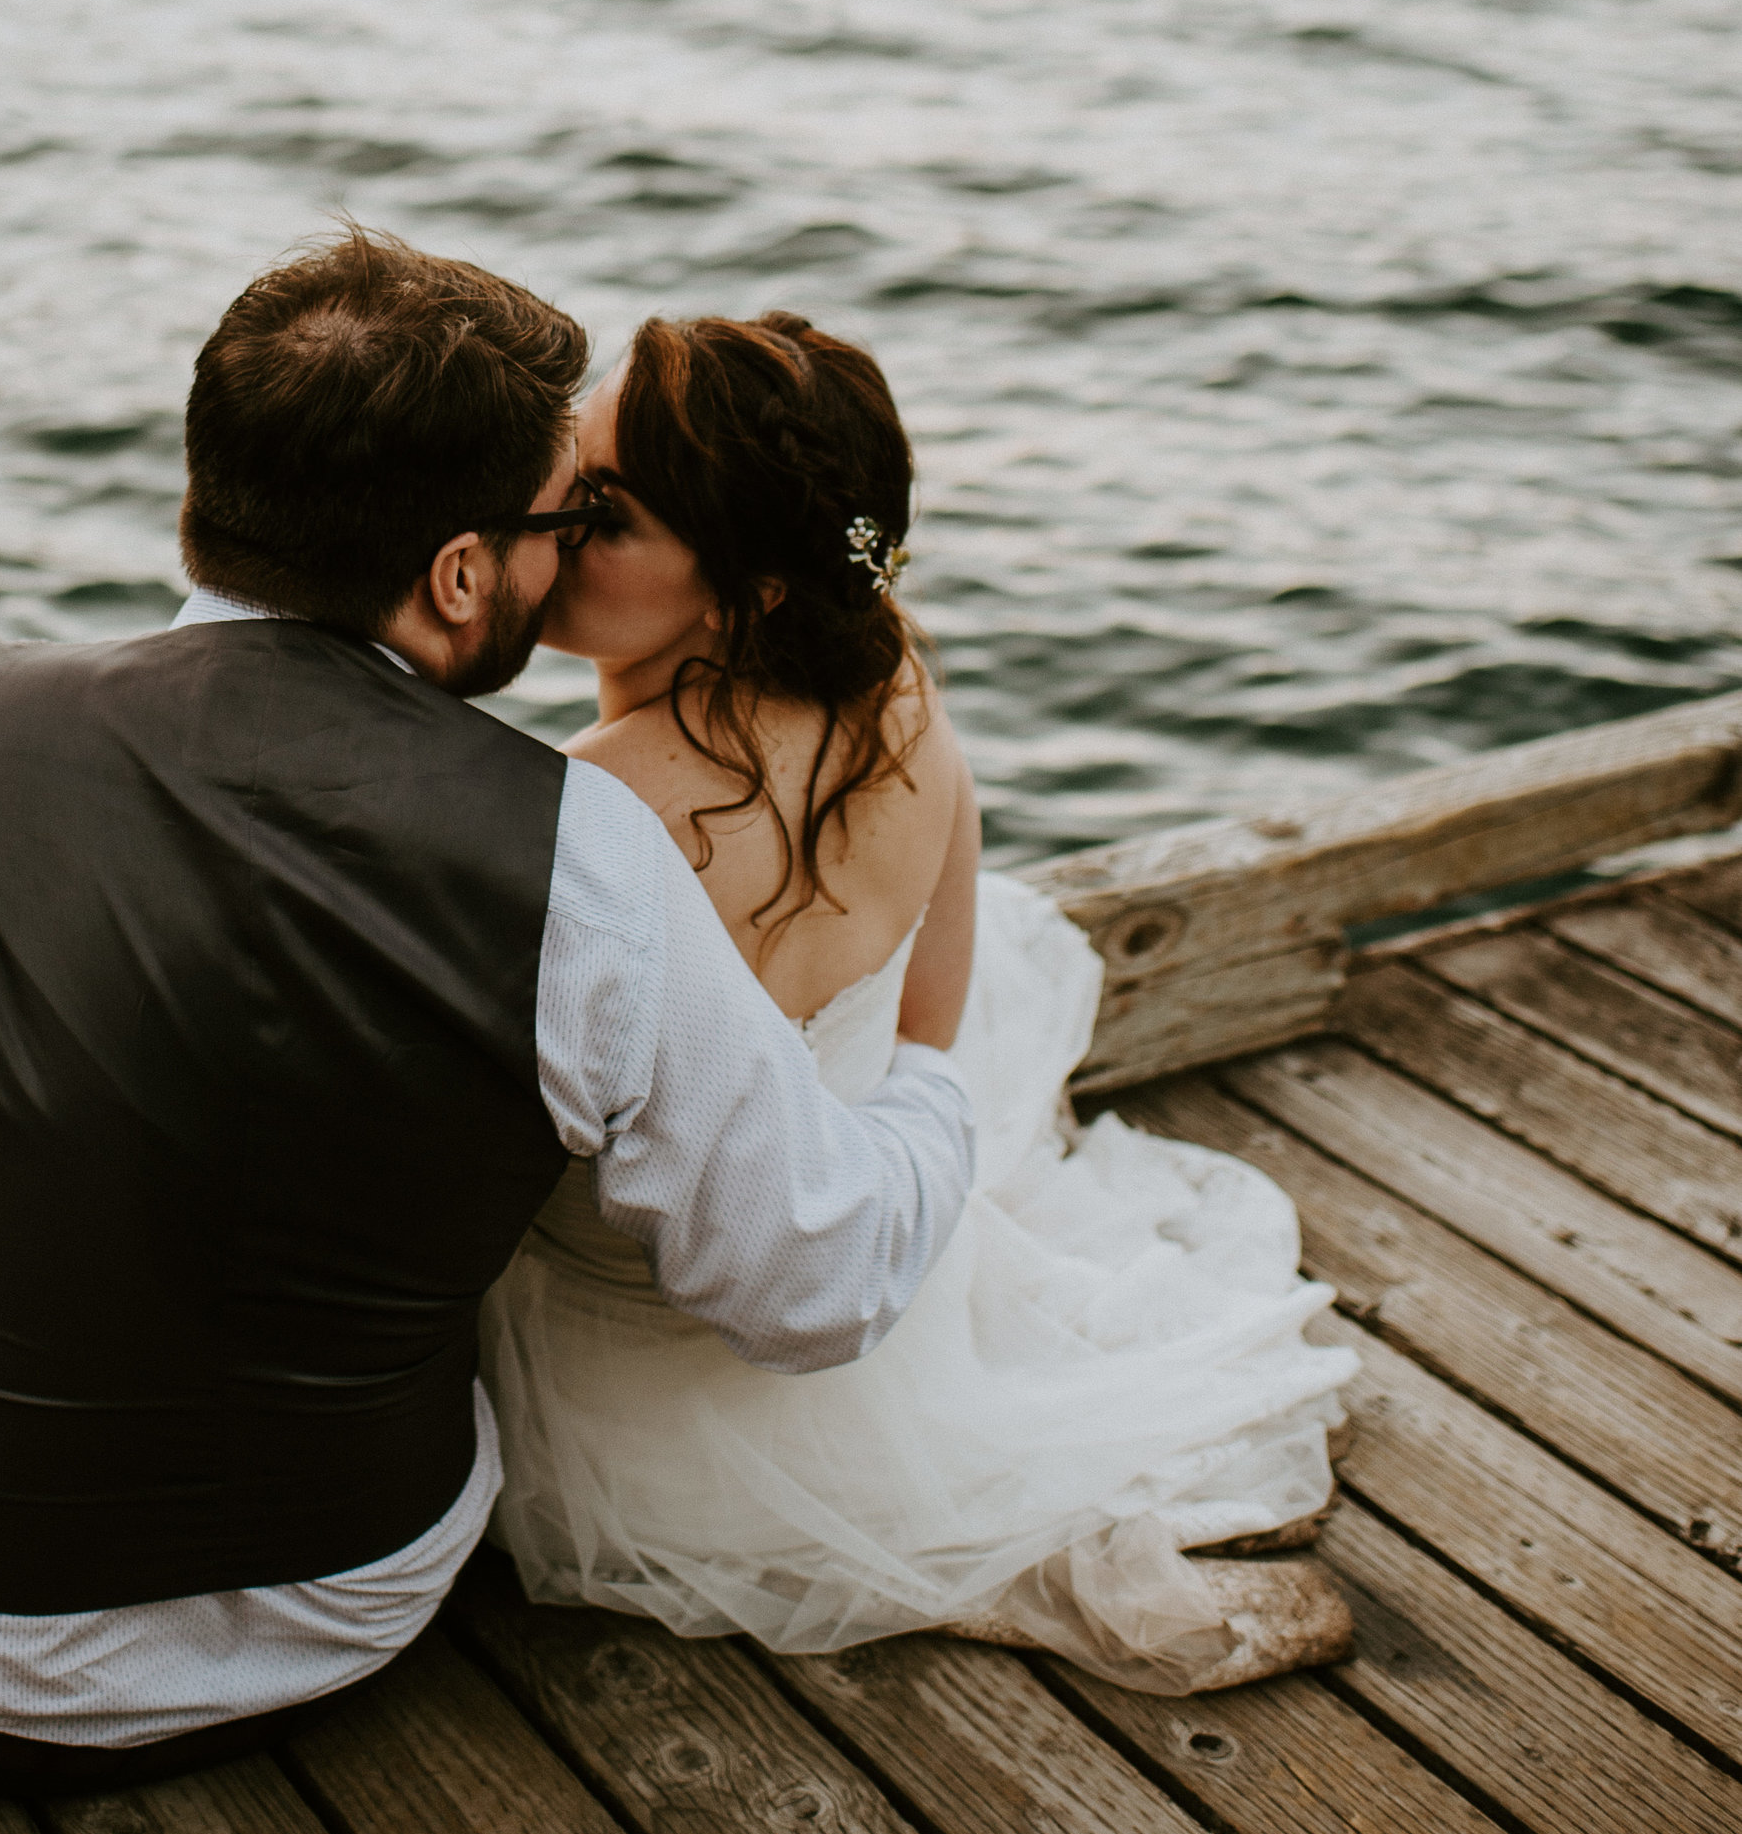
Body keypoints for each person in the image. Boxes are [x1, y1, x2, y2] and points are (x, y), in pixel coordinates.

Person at [0, 231, 977, 1791]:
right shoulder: (586, 853)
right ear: (461, 573)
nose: (570, 550)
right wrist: (936, 1071)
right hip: (363, 1614)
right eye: (565, 517)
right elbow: (821, 1278)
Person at [480, 308, 1357, 1689]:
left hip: (601, 1383)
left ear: (750, 587)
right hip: (850, 1303)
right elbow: (929, 1030)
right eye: (565, 471)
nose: (548, 514)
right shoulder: (901, 702)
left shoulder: (582, 810)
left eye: (608, 510)